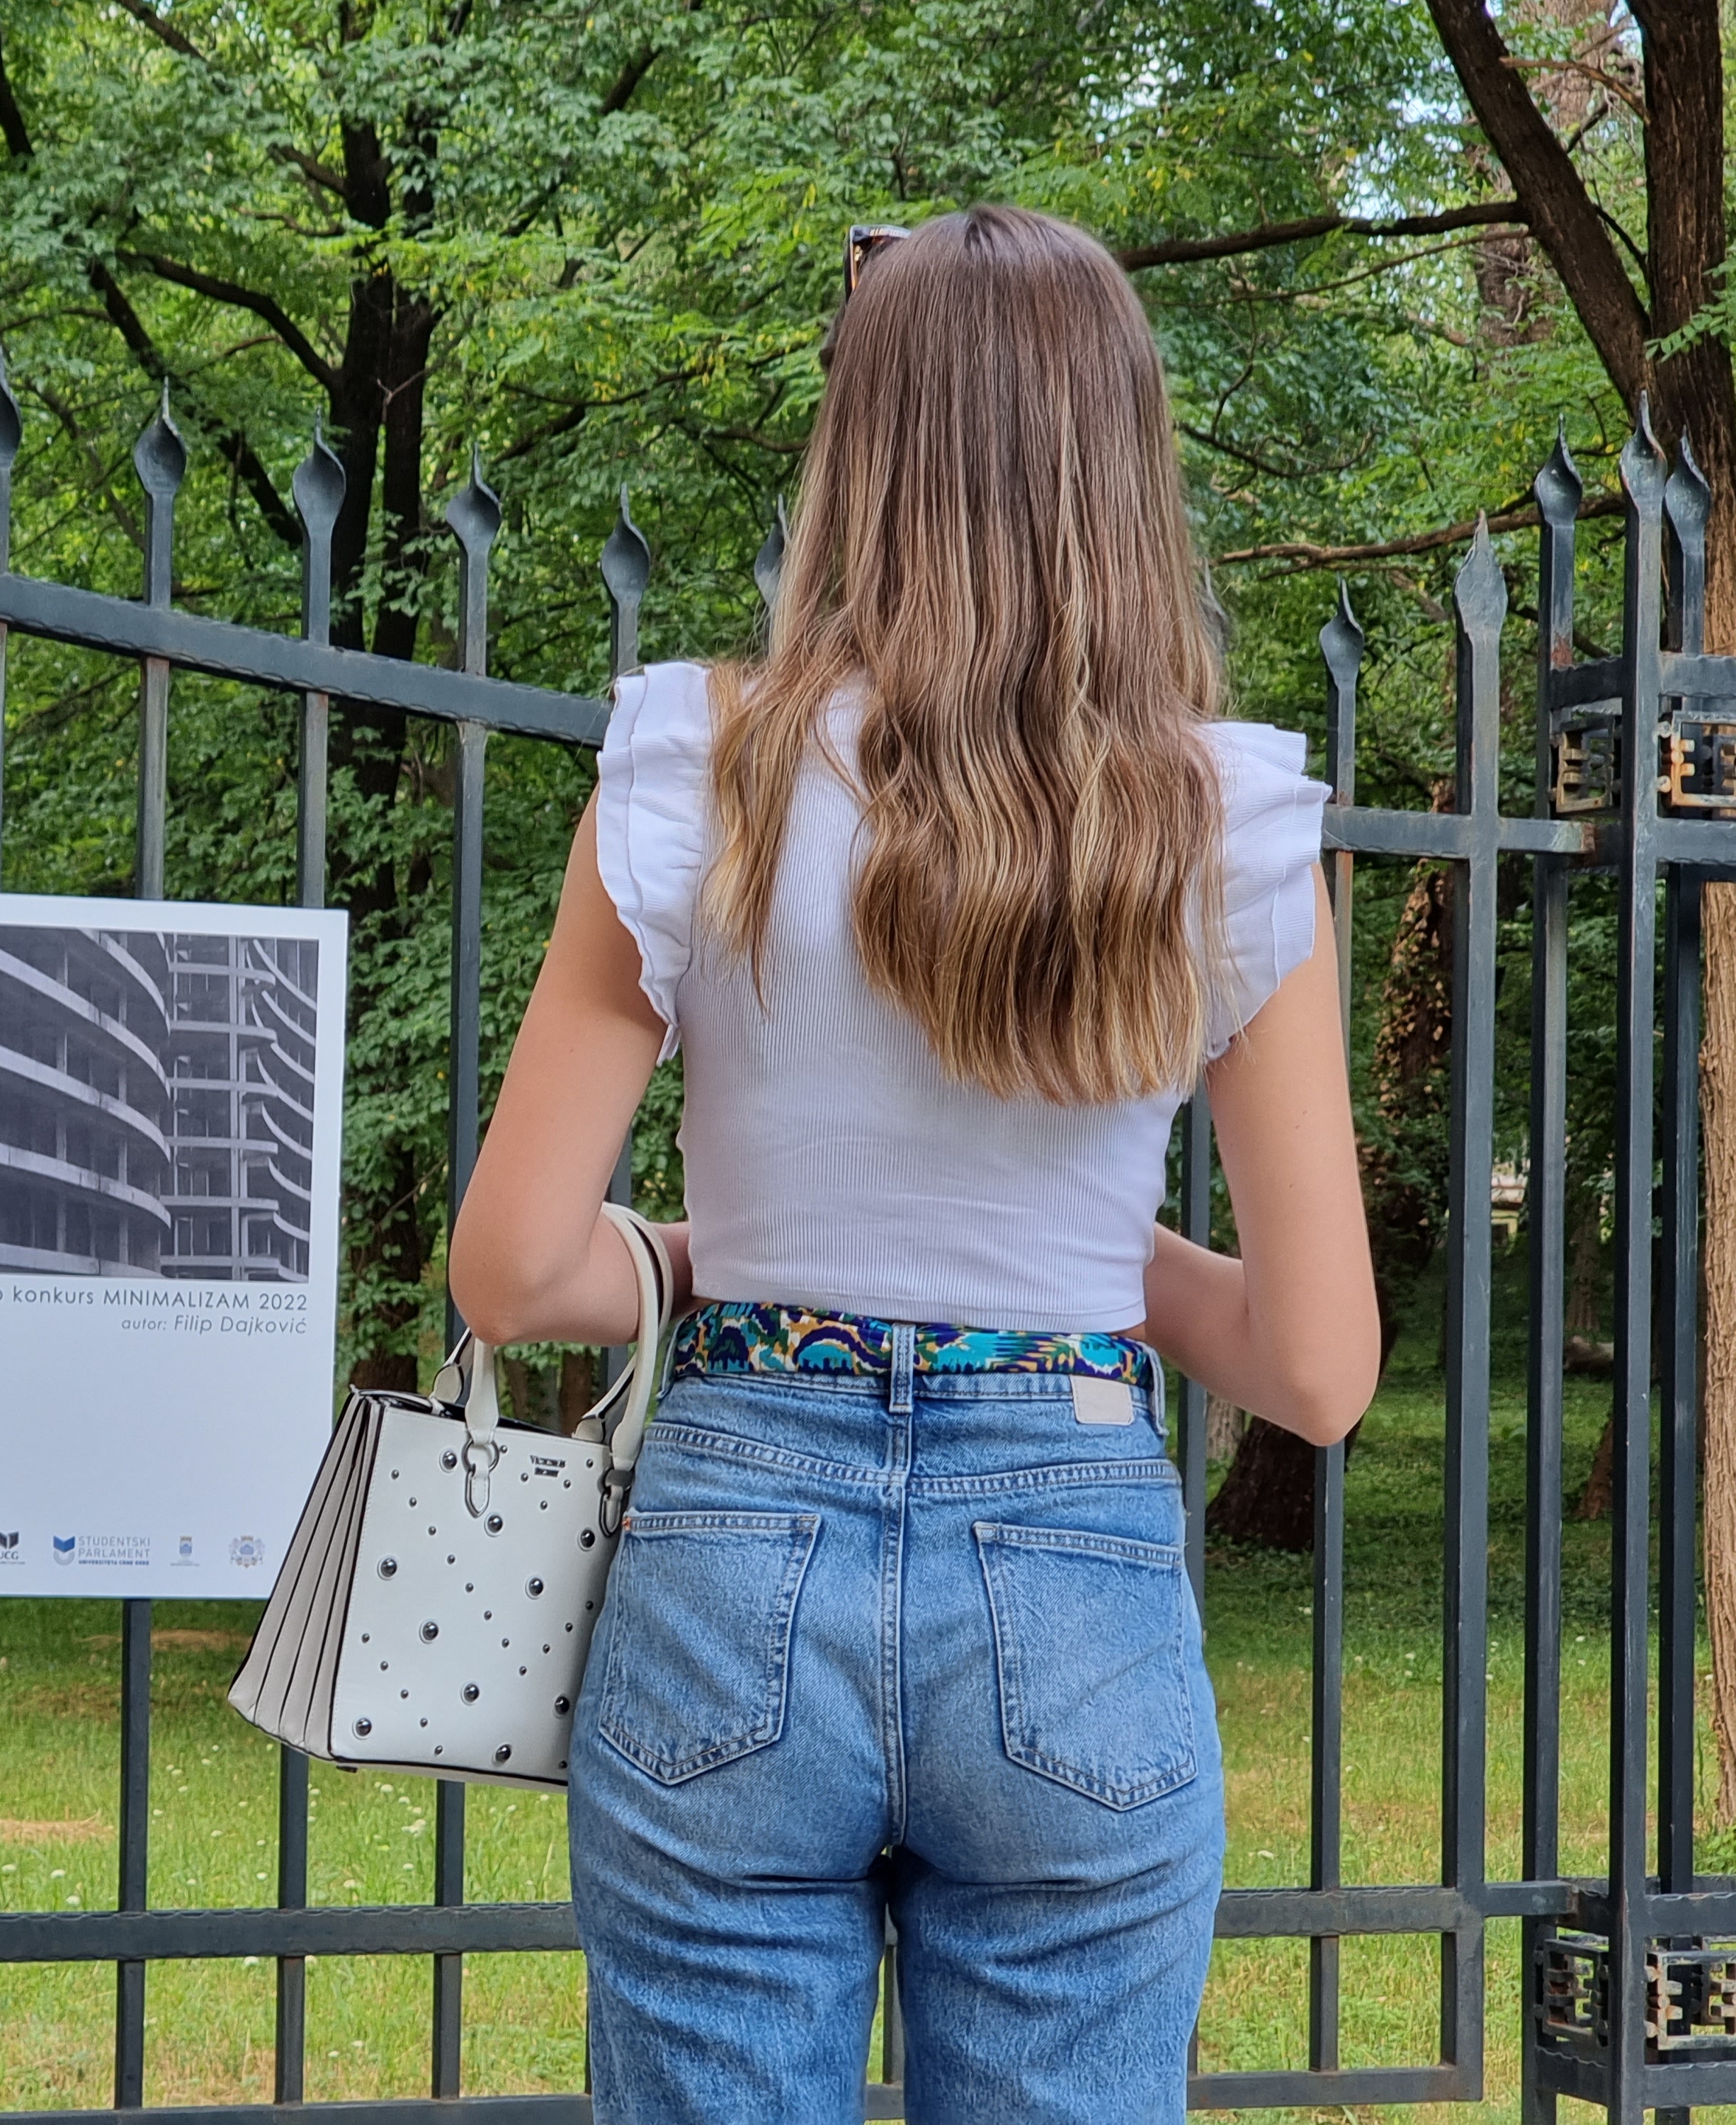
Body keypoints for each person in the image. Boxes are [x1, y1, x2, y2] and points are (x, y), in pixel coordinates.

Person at [446, 204, 1377, 2125]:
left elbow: (517, 1271)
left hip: (733, 1547)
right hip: (1075, 1571)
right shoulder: (1231, 823)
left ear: (852, 449)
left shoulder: (693, 764)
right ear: (1122, 458)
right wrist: (1092, 1260)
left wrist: (724, 1254)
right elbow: (1317, 1369)